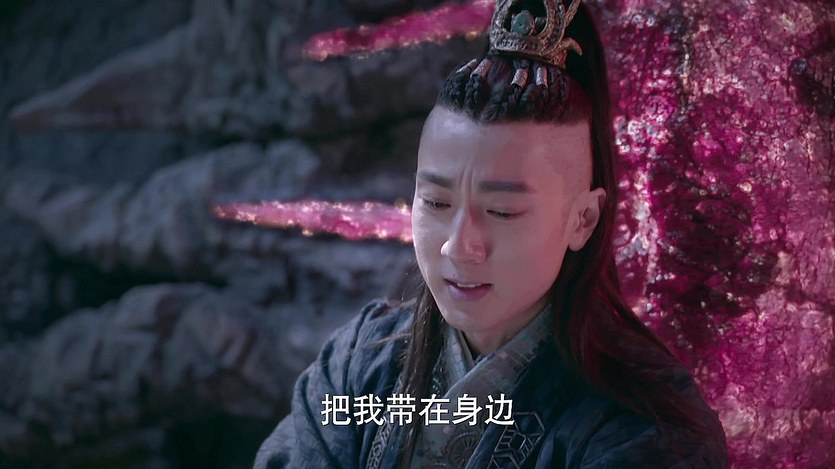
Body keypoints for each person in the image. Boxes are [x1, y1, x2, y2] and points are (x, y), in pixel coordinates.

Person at [255, 1, 728, 467]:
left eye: (502, 211)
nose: (458, 246)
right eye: (436, 203)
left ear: (582, 220)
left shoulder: (646, 431)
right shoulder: (358, 364)